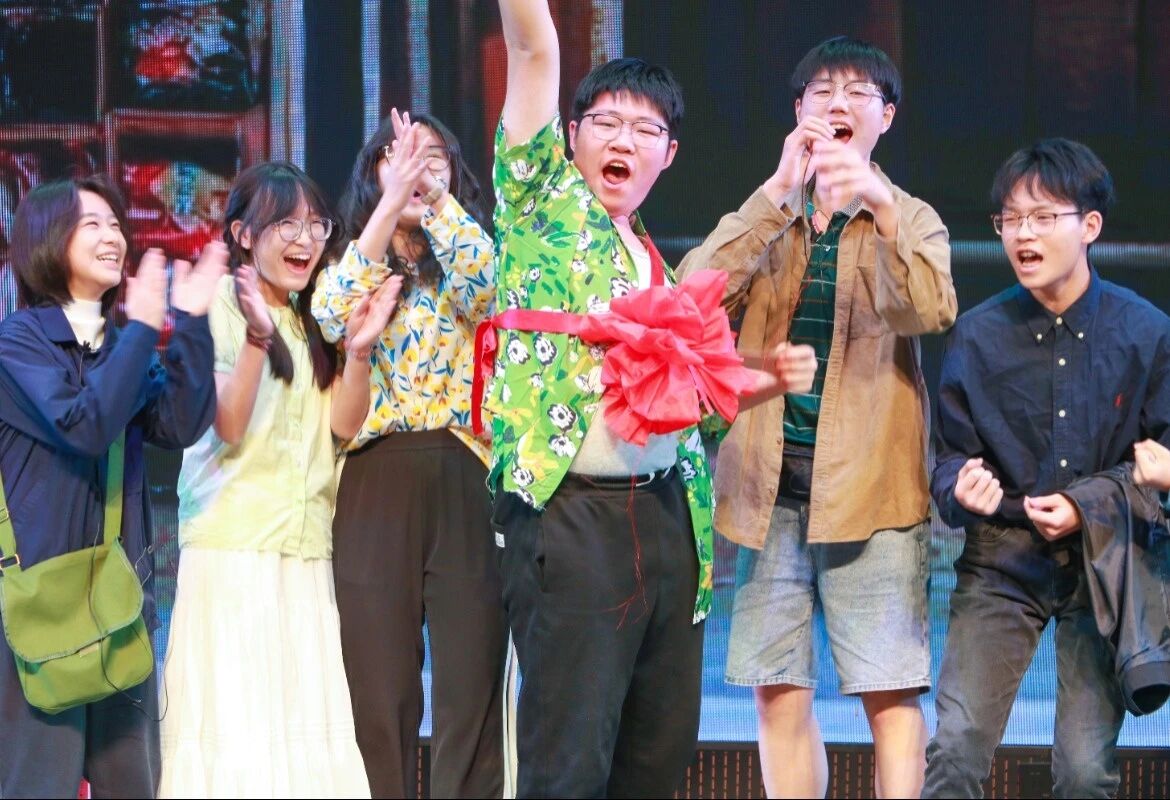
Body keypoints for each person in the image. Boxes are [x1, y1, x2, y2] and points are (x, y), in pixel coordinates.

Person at [486, 2, 817, 796]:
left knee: (657, 755)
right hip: (572, 516)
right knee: (570, 760)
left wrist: (766, 379)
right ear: (571, 137)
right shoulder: (543, 205)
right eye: (605, 123)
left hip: (669, 517)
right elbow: (533, 49)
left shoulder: (652, 264)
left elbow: (691, 401)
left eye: (645, 129)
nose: (623, 141)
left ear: (668, 154)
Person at [678, 35, 956, 799]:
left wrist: (882, 206)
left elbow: (930, 309)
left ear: (886, 117)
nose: (838, 103)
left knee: (890, 694)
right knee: (777, 692)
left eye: (858, 92)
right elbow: (689, 297)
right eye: (821, 92)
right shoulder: (772, 213)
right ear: (798, 111)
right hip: (769, 494)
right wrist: (775, 192)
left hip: (872, 495)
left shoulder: (913, 217)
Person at [924, 138, 1170, 798]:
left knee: (1085, 772)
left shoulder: (1146, 332)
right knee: (955, 749)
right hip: (1003, 562)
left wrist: (1097, 502)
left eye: (1042, 217)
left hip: (1104, 563)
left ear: (1090, 226)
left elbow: (1163, 463)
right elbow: (949, 462)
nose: (1022, 234)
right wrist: (960, 487)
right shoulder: (978, 334)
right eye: (1010, 219)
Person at [160, 162, 393, 798]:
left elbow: (342, 425)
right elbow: (228, 423)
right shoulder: (221, 305)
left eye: (315, 225)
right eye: (285, 224)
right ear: (243, 234)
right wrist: (257, 344)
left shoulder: (310, 319)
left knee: (302, 737)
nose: (305, 239)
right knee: (240, 734)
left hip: (305, 550)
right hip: (235, 547)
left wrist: (360, 351)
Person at [0, 174, 223, 798]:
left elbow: (178, 424)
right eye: (91, 223)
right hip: (37, 609)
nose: (113, 236)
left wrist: (191, 321)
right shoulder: (18, 344)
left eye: (116, 224)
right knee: (35, 784)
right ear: (47, 240)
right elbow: (86, 425)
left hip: (119, 606)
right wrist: (143, 329)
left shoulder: (117, 345)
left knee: (132, 785)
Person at [311, 111, 505, 799]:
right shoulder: (354, 262)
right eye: (399, 157)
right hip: (376, 478)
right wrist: (392, 203)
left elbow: (489, 289)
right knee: (380, 678)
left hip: (465, 471)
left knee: (470, 678)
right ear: (374, 174)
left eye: (433, 158)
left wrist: (433, 198)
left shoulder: (472, 249)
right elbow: (331, 317)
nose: (417, 168)